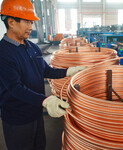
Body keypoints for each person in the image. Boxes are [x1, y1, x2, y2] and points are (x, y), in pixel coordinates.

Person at [0, 0, 85, 150]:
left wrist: (68, 71)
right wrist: (46, 100)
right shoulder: (4, 53)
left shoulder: (32, 47)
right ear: (12, 22)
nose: (31, 27)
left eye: (31, 22)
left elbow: (46, 71)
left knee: (39, 146)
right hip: (18, 120)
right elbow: (16, 89)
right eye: (27, 22)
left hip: (36, 112)